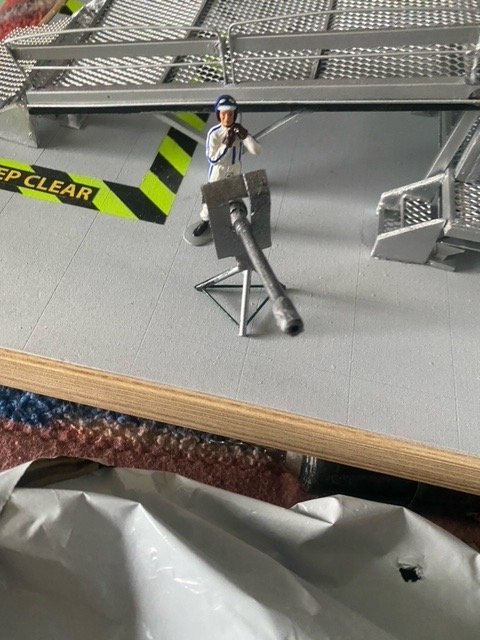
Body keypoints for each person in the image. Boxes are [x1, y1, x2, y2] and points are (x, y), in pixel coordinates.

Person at [192, 94, 261, 238]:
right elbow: (213, 159)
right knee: (211, 198)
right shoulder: (214, 134)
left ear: (235, 114)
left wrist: (246, 136)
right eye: (223, 114)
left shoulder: (238, 131)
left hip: (235, 168)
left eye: (230, 114)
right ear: (218, 115)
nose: (227, 118)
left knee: (234, 197)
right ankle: (205, 221)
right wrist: (226, 145)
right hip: (219, 170)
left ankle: (233, 220)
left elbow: (257, 151)